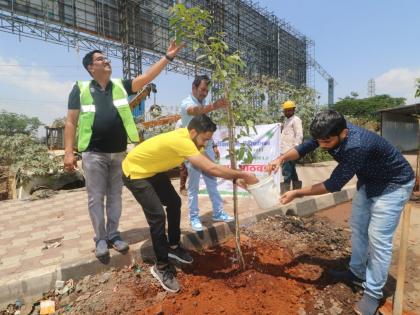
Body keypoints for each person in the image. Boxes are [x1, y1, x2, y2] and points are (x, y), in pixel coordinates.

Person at [267, 110, 414, 315]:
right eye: (319, 140)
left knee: (378, 239)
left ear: (344, 133)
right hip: (369, 181)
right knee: (358, 226)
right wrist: (280, 159)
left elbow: (334, 184)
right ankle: (356, 272)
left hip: (394, 184)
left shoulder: (356, 145)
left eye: (326, 141)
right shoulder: (327, 133)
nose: (322, 145)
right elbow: (303, 148)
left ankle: (372, 293)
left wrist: (297, 193)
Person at [64, 41, 184, 258]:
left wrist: (168, 57)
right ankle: (100, 238)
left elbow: (146, 77)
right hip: (93, 153)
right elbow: (71, 122)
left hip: (119, 153)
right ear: (91, 67)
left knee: (115, 196)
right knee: (95, 197)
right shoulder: (80, 89)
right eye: (100, 59)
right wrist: (68, 152)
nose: (106, 60)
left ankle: (113, 234)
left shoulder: (119, 86)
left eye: (106, 58)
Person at [122, 115, 258, 293]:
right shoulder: (183, 141)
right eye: (204, 139)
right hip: (135, 172)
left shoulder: (193, 141)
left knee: (174, 202)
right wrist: (243, 175)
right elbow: (212, 169)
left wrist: (235, 180)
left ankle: (173, 246)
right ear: (193, 132)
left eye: (208, 140)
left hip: (151, 170)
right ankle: (161, 267)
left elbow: (208, 164)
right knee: (157, 216)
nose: (204, 144)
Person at [180, 75, 232, 231]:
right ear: (194, 88)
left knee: (212, 181)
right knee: (194, 186)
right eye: (202, 89)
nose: (204, 93)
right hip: (193, 149)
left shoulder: (203, 103)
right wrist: (214, 106)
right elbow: (194, 111)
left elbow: (206, 127)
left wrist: (213, 144)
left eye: (206, 91)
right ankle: (194, 217)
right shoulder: (186, 103)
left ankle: (218, 212)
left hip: (206, 146)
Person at [279, 100, 303, 192]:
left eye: (289, 110)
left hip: (291, 150)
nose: (287, 112)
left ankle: (285, 190)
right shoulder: (287, 121)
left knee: (286, 170)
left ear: (293, 110)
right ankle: (297, 189)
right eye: (286, 110)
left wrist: (296, 148)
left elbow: (299, 135)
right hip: (285, 150)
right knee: (291, 169)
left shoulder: (296, 120)